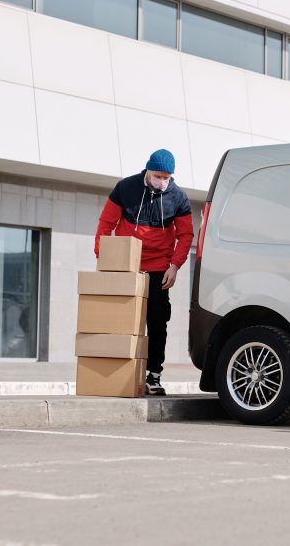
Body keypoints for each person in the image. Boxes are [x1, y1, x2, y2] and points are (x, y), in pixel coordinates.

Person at [95, 149, 193, 396]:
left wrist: (175, 265)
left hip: (160, 267)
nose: (163, 181)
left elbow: (185, 235)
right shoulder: (125, 188)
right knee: (120, 321)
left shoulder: (178, 198)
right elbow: (106, 224)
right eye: (158, 176)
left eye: (167, 177)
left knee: (158, 323)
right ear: (148, 171)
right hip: (127, 264)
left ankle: (154, 376)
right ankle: (116, 371)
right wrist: (104, 256)